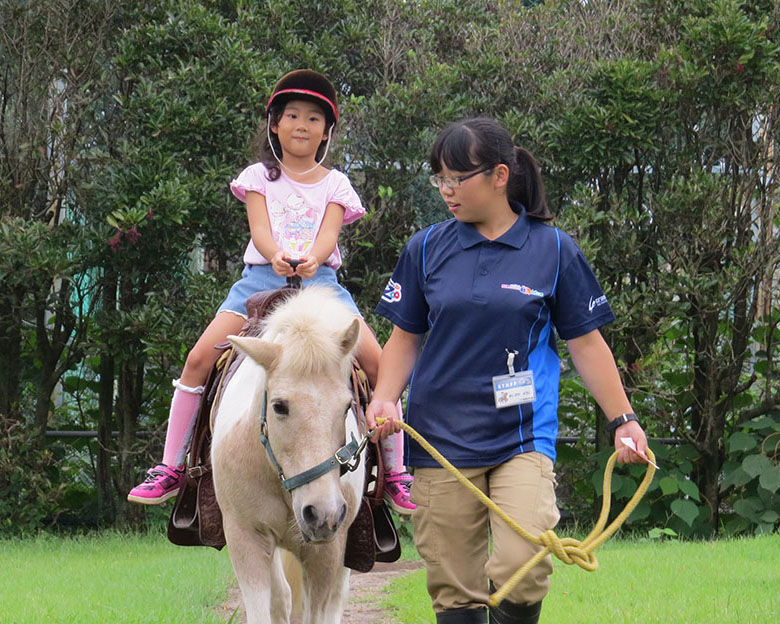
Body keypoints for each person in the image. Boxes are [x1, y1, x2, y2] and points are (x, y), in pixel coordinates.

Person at [366, 118, 649, 624]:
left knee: (525, 565)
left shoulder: (554, 249)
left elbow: (586, 343)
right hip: (439, 440)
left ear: (500, 175)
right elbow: (405, 336)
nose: (447, 191)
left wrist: (622, 419)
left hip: (521, 436)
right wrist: (385, 397)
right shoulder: (426, 248)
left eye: (458, 178)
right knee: (455, 587)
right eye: (440, 179)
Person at [128, 69, 415, 514]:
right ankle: (172, 466)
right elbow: (260, 229)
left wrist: (315, 259)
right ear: (274, 124)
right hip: (260, 279)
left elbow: (329, 233)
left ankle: (396, 472)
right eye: (293, 115)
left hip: (321, 285)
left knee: (378, 364)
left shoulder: (336, 183)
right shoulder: (258, 177)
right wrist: (276, 254)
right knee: (199, 359)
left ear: (327, 132)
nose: (303, 125)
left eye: (315, 119)